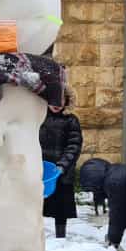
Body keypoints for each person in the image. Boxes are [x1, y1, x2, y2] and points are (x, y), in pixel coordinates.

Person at [39, 87, 82, 239]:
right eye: (54, 100)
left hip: (61, 171)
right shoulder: (40, 117)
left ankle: (60, 237)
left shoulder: (71, 120)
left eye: (61, 100)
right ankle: (36, 236)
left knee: (60, 208)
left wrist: (63, 165)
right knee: (37, 204)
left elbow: (74, 146)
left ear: (67, 101)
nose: (57, 104)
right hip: (41, 169)